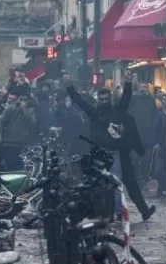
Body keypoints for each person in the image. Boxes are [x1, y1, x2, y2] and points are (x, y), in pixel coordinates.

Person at [66, 73, 155, 221]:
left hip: (118, 153)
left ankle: (141, 211)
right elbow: (80, 102)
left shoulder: (117, 112)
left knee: (128, 183)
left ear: (110, 99)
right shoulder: (95, 113)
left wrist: (128, 84)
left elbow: (125, 100)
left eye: (106, 99)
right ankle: (108, 212)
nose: (104, 102)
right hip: (101, 154)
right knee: (103, 184)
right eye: (101, 99)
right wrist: (70, 87)